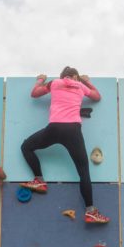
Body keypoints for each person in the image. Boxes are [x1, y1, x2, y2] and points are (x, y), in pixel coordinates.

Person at [19, 66, 110, 224]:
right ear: (75, 77)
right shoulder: (80, 85)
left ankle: (39, 180)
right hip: (73, 130)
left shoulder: (54, 83)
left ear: (62, 76)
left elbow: (34, 94)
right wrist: (87, 82)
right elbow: (97, 97)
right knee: (83, 172)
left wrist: (40, 80)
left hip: (55, 128)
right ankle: (90, 212)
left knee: (26, 147)